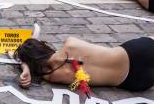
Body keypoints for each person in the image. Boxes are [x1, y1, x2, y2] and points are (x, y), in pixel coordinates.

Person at [15, 37, 154, 92]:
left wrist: (25, 67)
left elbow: (14, 56)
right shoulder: (70, 43)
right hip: (138, 51)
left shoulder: (52, 75)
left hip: (134, 81)